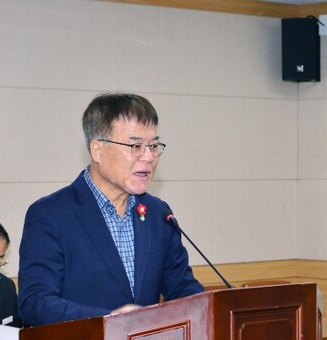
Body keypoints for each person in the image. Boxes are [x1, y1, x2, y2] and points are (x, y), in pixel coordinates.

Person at [18, 92, 204, 326]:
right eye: (136, 146)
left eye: (154, 146)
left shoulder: (158, 213)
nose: (149, 157)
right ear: (98, 150)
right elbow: (35, 303)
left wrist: (209, 305)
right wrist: (107, 321)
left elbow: (181, 287)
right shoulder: (50, 215)